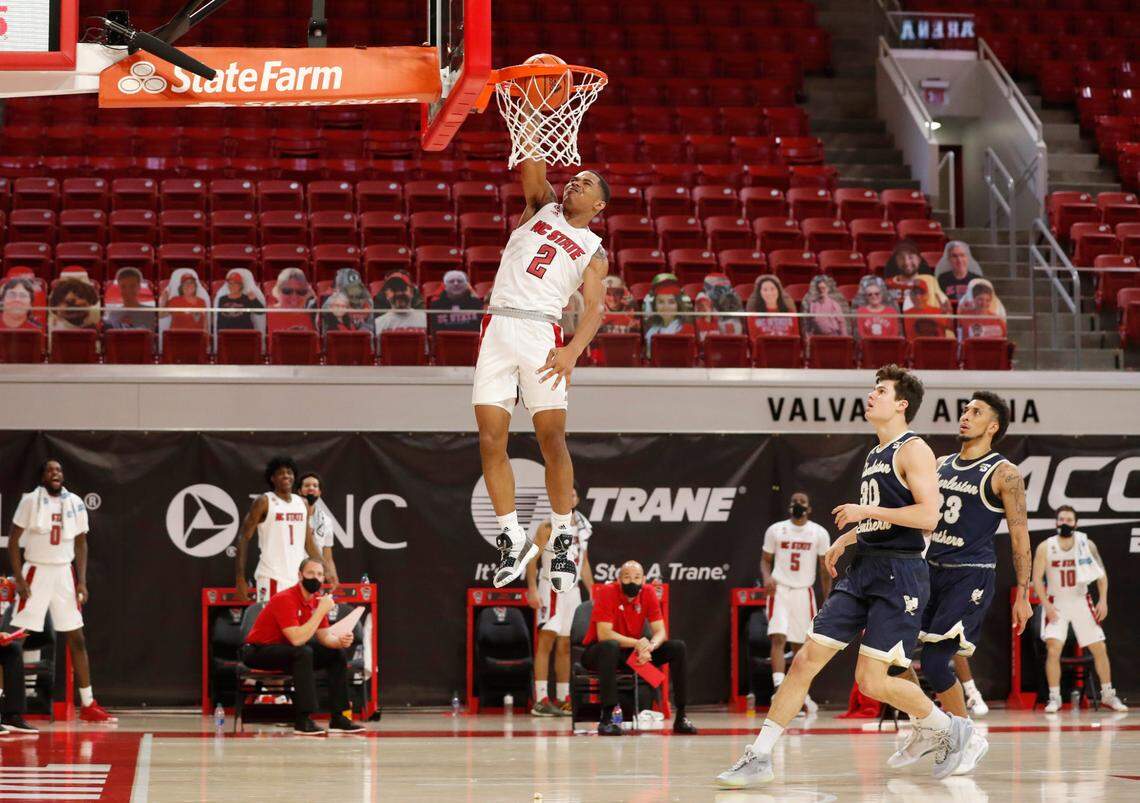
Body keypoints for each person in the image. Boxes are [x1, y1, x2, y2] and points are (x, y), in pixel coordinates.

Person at [717, 365, 973, 788]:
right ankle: (759, 755)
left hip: (901, 574)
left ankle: (947, 728)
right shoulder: (875, 452)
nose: (872, 396)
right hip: (864, 569)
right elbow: (888, 516)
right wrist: (850, 537)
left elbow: (928, 516)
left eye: (881, 390)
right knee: (803, 662)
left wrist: (865, 513)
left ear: (901, 403)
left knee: (871, 681)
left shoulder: (914, 450)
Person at [472, 159, 608, 592]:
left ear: (599, 205)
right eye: (574, 178)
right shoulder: (541, 204)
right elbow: (532, 162)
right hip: (497, 325)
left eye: (585, 183)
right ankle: (512, 536)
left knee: (552, 440)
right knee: (491, 439)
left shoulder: (593, 249)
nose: (575, 183)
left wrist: (571, 351)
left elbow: (596, 311)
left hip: (541, 333)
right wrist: (529, 109)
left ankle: (563, 536)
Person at [889, 391, 1033, 775]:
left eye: (976, 412)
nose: (965, 416)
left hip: (970, 574)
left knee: (937, 662)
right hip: (929, 569)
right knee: (891, 654)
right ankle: (926, 725)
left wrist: (1024, 592)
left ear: (993, 425)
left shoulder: (1005, 473)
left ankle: (967, 736)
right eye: (966, 409)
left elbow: (1019, 535)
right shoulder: (939, 464)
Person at [7, 459, 116, 722]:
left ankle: (88, 704)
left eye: (59, 470)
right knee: (14, 639)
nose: (56, 473)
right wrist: (20, 578)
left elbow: (81, 543)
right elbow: (12, 541)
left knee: (77, 638)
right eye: (50, 470)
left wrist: (81, 580)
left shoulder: (75, 502)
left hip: (64, 574)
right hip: (36, 570)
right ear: (42, 476)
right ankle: (7, 706)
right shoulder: (31, 501)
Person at [241, 557, 365, 735]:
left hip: (288, 652)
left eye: (320, 574)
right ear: (300, 576)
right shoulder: (285, 599)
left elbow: (324, 637)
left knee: (335, 654)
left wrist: (339, 641)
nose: (315, 578)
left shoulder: (316, 601)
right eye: (310, 573)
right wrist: (321, 611)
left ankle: (339, 717)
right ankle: (303, 719)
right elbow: (296, 640)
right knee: (303, 652)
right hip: (258, 652)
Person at [582, 561, 697, 735]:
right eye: (627, 577)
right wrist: (637, 644)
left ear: (643, 580)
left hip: (630, 651)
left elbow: (660, 632)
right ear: (619, 579)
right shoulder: (607, 592)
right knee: (611, 646)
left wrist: (649, 648)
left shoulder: (648, 592)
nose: (632, 582)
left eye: (636, 578)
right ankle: (606, 718)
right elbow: (604, 634)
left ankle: (681, 716)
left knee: (677, 647)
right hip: (598, 651)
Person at [1033, 505, 1128, 713]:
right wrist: (1046, 605)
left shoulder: (1087, 544)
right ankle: (1054, 697)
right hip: (1056, 601)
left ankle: (1108, 695)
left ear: (1075, 523)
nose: (1065, 522)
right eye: (1061, 519)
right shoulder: (1045, 547)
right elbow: (1037, 579)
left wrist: (1103, 600)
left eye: (1069, 519)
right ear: (1056, 522)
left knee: (1099, 648)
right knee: (1053, 649)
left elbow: (1101, 575)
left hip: (1080, 600)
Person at [760, 491, 832, 714]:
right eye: (794, 502)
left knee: (800, 645)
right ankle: (779, 688)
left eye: (802, 502)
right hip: (780, 589)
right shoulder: (776, 530)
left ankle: (798, 691)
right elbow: (765, 560)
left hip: (804, 591)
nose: (798, 505)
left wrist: (828, 598)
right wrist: (767, 578)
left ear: (809, 508)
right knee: (778, 637)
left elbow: (824, 568)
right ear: (789, 507)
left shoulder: (819, 533)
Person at [526, 485, 594, 717]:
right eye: (564, 493)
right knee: (546, 642)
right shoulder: (547, 526)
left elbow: (583, 563)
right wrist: (533, 589)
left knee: (566, 644)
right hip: (550, 588)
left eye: (572, 494)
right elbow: (531, 559)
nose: (568, 497)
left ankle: (564, 698)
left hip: (572, 591)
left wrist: (593, 592)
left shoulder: (583, 527)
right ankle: (541, 698)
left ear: (577, 499)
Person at [235, 456, 321, 603]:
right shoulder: (263, 501)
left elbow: (309, 543)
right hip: (271, 577)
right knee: (271, 625)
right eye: (281, 473)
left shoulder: (302, 503)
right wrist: (240, 579)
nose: (286, 475)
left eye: (289, 472)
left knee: (297, 625)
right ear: (272, 478)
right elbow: (244, 538)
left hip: (298, 578)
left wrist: (326, 568)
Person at [296, 471, 339, 590]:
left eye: (315, 486)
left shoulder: (326, 520)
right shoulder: (292, 515)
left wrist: (332, 574)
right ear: (299, 491)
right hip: (292, 572)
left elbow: (328, 556)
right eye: (307, 485)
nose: (311, 488)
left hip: (314, 575)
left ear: (319, 492)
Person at [642, 273, 694, 356]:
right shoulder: (651, 328)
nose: (666, 307)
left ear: (678, 305)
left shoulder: (687, 328)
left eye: (671, 302)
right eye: (661, 302)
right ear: (655, 305)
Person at [373, 271, 428, 342]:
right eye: (394, 290)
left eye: (402, 288)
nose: (399, 293)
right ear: (386, 294)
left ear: (411, 292)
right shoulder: (378, 323)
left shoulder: (425, 319)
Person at [745, 274, 799, 339]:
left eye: (772, 289)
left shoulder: (791, 313)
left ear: (778, 291)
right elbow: (754, 341)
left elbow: (796, 339)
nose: (769, 293)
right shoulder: (752, 316)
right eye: (765, 290)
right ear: (760, 293)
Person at [902, 275, 954, 340]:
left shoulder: (939, 312)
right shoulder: (905, 315)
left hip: (937, 348)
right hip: (915, 349)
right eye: (914, 293)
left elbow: (953, 330)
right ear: (910, 296)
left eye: (921, 292)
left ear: (927, 295)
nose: (918, 297)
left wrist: (949, 316)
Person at [213, 268, 265, 333]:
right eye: (230, 283)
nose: (231, 286)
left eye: (235, 283)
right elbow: (220, 321)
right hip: (227, 335)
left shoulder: (247, 298)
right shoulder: (222, 299)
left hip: (244, 335)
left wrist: (254, 300)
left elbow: (261, 312)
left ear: (240, 285)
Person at [267, 267, 317, 334]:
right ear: (277, 292)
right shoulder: (266, 315)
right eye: (287, 291)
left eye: (301, 292)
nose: (294, 297)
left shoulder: (313, 315)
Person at [852, 275, 901, 340]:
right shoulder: (861, 312)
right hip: (868, 347)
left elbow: (895, 333)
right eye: (870, 294)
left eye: (877, 293)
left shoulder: (892, 311)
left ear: (882, 294)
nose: (874, 296)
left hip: (889, 346)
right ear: (866, 297)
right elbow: (861, 334)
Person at [936, 241, 984, 306]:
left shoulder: (977, 280)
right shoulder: (942, 279)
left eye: (962, 255)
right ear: (949, 259)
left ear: (967, 258)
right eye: (954, 256)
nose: (959, 260)